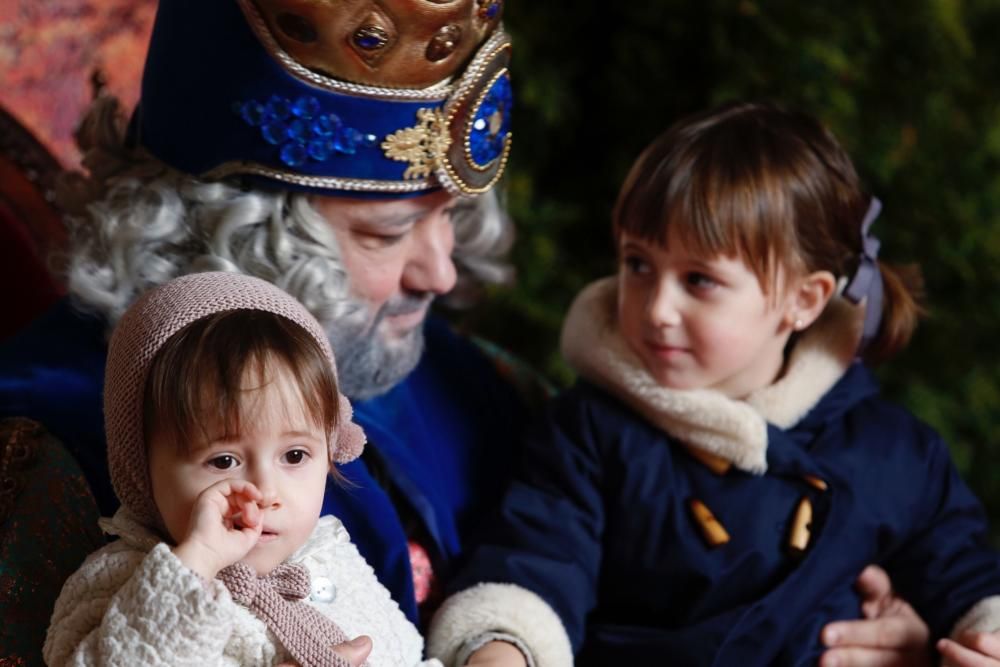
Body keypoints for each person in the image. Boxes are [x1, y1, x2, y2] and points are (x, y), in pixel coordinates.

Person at [0, 1, 932, 664]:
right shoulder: (52, 456)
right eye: (389, 230)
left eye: (450, 218)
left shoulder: (474, 381)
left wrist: (856, 616)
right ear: (227, 236)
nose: (442, 274)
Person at [427, 102, 1000, 666]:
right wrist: (503, 647)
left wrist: (984, 640)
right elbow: (536, 562)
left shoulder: (893, 453)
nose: (657, 309)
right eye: (638, 264)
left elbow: (968, 576)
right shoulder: (589, 433)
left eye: (699, 280)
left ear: (804, 301)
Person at [44, 271, 442, 666]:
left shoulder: (329, 558)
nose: (265, 492)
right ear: (140, 469)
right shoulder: (117, 582)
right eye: (224, 461)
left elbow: (405, 652)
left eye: (295, 456)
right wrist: (196, 564)